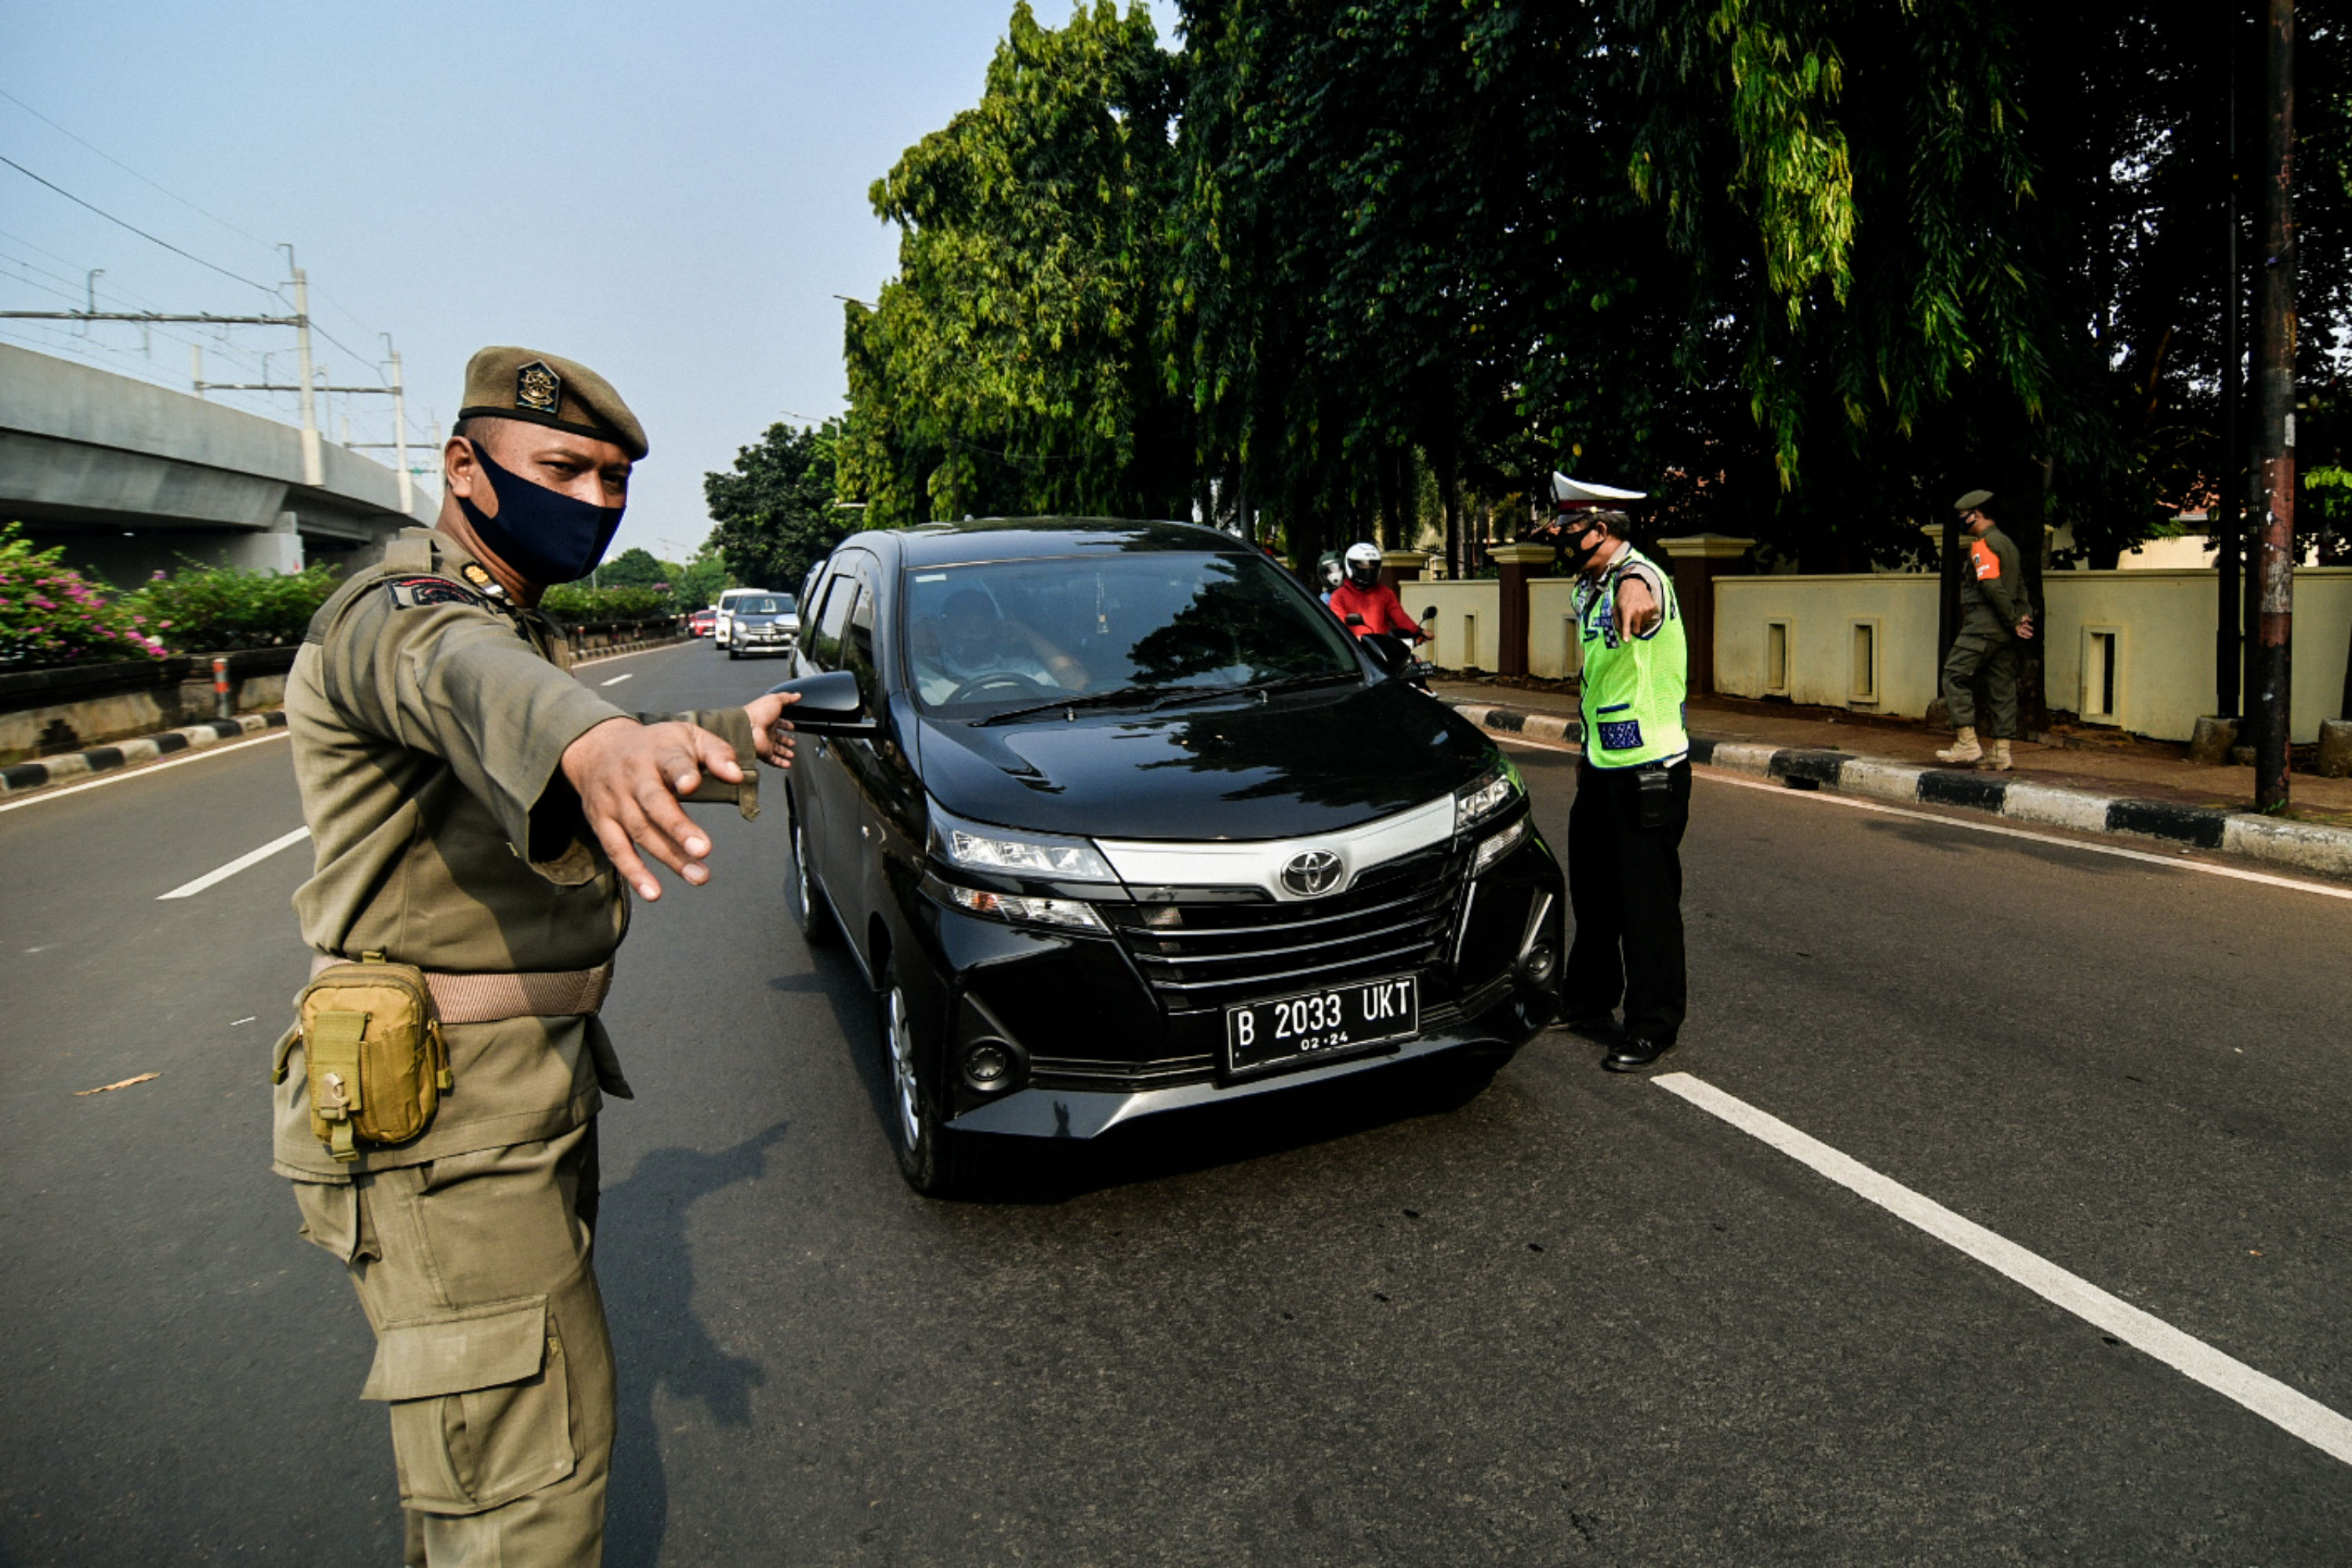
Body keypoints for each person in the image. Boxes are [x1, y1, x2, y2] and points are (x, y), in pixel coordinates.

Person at [274, 347, 801, 1566]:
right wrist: (598, 737)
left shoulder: (503, 609)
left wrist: (726, 730)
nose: (597, 503)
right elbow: (472, 683)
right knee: (527, 1496)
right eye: (564, 467)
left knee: (486, 1478)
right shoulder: (395, 613)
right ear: (467, 467)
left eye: (615, 481)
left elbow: (509, 683)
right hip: (446, 1118)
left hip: (508, 1087)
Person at [1561, 508, 1690, 1073]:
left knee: (1646, 903)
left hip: (1648, 768)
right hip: (1601, 762)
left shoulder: (1641, 577)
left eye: (1568, 526)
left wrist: (1635, 588)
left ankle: (1652, 1025)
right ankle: (1588, 1002)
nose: (1555, 535)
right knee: (1592, 893)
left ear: (1604, 530)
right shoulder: (1586, 588)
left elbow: (1642, 590)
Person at [1936, 488, 2036, 769]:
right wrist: (2022, 617)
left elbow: (1992, 587)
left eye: (1962, 516)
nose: (1960, 521)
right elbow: (2019, 587)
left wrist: (2012, 619)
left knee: (1954, 675)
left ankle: (1967, 744)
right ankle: (2001, 752)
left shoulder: (1983, 545)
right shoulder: (2008, 544)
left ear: (1976, 515)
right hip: (2004, 632)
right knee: (2001, 687)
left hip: (1983, 627)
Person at [910, 586, 1089, 702]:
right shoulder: (924, 674)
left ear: (996, 628)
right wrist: (917, 639)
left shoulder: (1025, 669)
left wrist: (1027, 634)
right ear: (946, 629)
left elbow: (1078, 682)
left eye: (981, 625)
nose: (972, 634)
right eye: (962, 625)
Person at [1325, 542, 1428, 644]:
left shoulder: (1386, 593)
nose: (1368, 569)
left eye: (1372, 565)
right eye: (1362, 565)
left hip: (1381, 649)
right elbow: (1339, 625)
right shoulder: (1339, 596)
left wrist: (1419, 631)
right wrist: (1355, 639)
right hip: (1354, 650)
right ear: (1350, 565)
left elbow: (1400, 617)